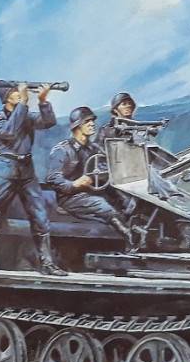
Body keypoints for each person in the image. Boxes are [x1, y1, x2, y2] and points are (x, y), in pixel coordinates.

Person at [0, 82, 64, 276]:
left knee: (40, 217)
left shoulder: (25, 115)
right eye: (15, 91)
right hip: (4, 170)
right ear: (6, 97)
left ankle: (47, 263)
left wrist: (43, 101)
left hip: (26, 171)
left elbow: (48, 122)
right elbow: (9, 132)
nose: (19, 93)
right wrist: (24, 103)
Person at [47, 106, 140, 252]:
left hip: (93, 190)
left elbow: (106, 165)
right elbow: (53, 179)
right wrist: (74, 184)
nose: (92, 124)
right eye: (87, 121)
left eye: (92, 121)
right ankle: (130, 239)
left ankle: (137, 229)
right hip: (71, 197)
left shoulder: (94, 149)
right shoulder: (62, 150)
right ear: (77, 126)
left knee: (128, 200)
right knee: (101, 205)